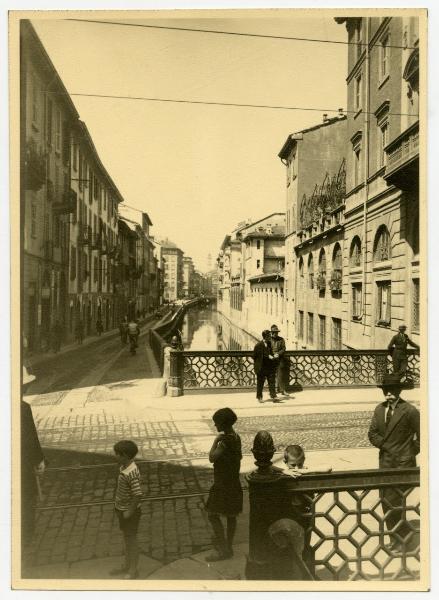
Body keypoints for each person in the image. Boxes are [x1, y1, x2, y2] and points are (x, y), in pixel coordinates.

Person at [368, 373, 420, 553]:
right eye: (386, 391)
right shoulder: (379, 409)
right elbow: (372, 433)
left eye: (392, 391)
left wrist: (408, 452)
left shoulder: (410, 410)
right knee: (385, 501)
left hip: (402, 464)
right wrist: (384, 445)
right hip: (385, 462)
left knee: (396, 503)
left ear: (399, 391)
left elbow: (423, 437)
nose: (389, 395)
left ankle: (402, 541)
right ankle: (396, 538)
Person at [274, 444, 332, 577]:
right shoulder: (284, 473)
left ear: (304, 461)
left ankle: (306, 577)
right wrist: (283, 471)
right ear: (285, 462)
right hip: (290, 516)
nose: (296, 469)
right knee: (290, 549)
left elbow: (328, 467)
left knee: (306, 546)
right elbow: (266, 467)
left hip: (305, 516)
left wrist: (305, 471)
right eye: (292, 465)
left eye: (299, 464)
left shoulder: (304, 471)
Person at [205, 408, 243, 562]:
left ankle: (223, 549)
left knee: (213, 515)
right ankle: (229, 545)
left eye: (216, 423)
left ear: (222, 424)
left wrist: (215, 441)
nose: (215, 425)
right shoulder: (236, 437)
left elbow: (211, 458)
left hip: (222, 484)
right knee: (231, 516)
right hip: (234, 482)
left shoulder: (224, 442)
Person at [110, 440, 143, 580]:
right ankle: (127, 565)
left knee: (131, 539)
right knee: (126, 538)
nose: (115, 456)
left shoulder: (131, 472)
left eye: (117, 454)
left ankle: (133, 569)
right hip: (122, 509)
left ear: (124, 455)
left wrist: (129, 511)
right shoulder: (124, 467)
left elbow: (138, 494)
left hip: (129, 512)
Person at [21, 367, 46, 548]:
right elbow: (30, 437)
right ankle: (26, 538)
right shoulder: (23, 408)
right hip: (22, 466)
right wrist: (38, 460)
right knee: (27, 500)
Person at [253, 330, 278, 403]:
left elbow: (270, 353)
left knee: (272, 381)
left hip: (269, 367)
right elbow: (254, 356)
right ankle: (259, 397)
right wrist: (267, 357)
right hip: (261, 367)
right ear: (265, 337)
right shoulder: (258, 345)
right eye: (269, 336)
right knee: (260, 383)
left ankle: (273, 396)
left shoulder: (269, 343)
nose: (270, 337)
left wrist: (273, 356)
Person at [270, 324, 289, 397]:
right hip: (271, 360)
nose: (275, 334)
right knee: (271, 376)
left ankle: (282, 390)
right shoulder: (269, 340)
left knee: (281, 375)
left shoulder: (281, 339)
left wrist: (278, 354)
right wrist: (271, 355)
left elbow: (283, 349)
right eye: (274, 332)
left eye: (276, 332)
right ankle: (272, 391)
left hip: (279, 359)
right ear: (271, 333)